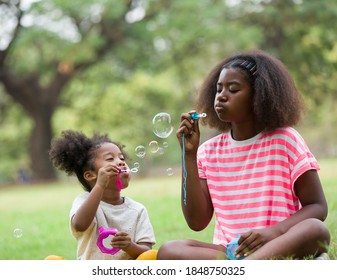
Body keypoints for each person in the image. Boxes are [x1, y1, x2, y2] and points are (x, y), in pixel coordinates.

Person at [157, 49, 330, 260]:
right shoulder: (207, 152)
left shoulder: (285, 140)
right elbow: (197, 222)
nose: (221, 95)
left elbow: (317, 206)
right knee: (170, 250)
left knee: (315, 230)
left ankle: (244, 269)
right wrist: (189, 156)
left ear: (259, 95)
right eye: (219, 89)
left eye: (233, 89)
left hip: (278, 242)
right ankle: (249, 269)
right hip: (231, 251)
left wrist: (274, 232)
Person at [49, 130, 156, 260]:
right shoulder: (84, 201)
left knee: (152, 256)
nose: (121, 162)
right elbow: (80, 225)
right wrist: (100, 185)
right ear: (90, 175)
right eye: (110, 158)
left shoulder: (138, 210)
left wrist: (129, 246)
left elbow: (146, 252)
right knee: (52, 261)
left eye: (122, 158)